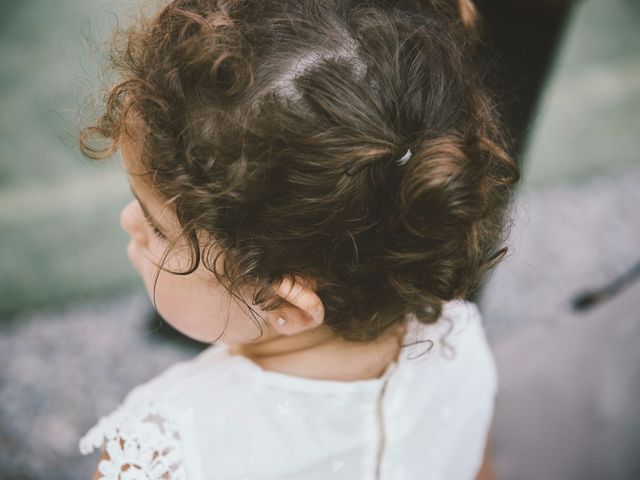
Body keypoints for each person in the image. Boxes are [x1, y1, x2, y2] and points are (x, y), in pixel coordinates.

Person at [77, 0, 520, 478]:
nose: (129, 222)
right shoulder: (460, 337)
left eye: (159, 229)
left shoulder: (164, 450)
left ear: (282, 304)